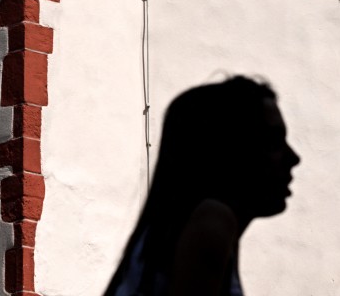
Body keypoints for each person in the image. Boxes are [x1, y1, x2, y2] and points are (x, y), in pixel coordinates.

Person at [103, 77, 300, 296]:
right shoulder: (212, 221)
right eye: (272, 142)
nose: (293, 157)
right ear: (229, 150)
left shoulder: (194, 227)